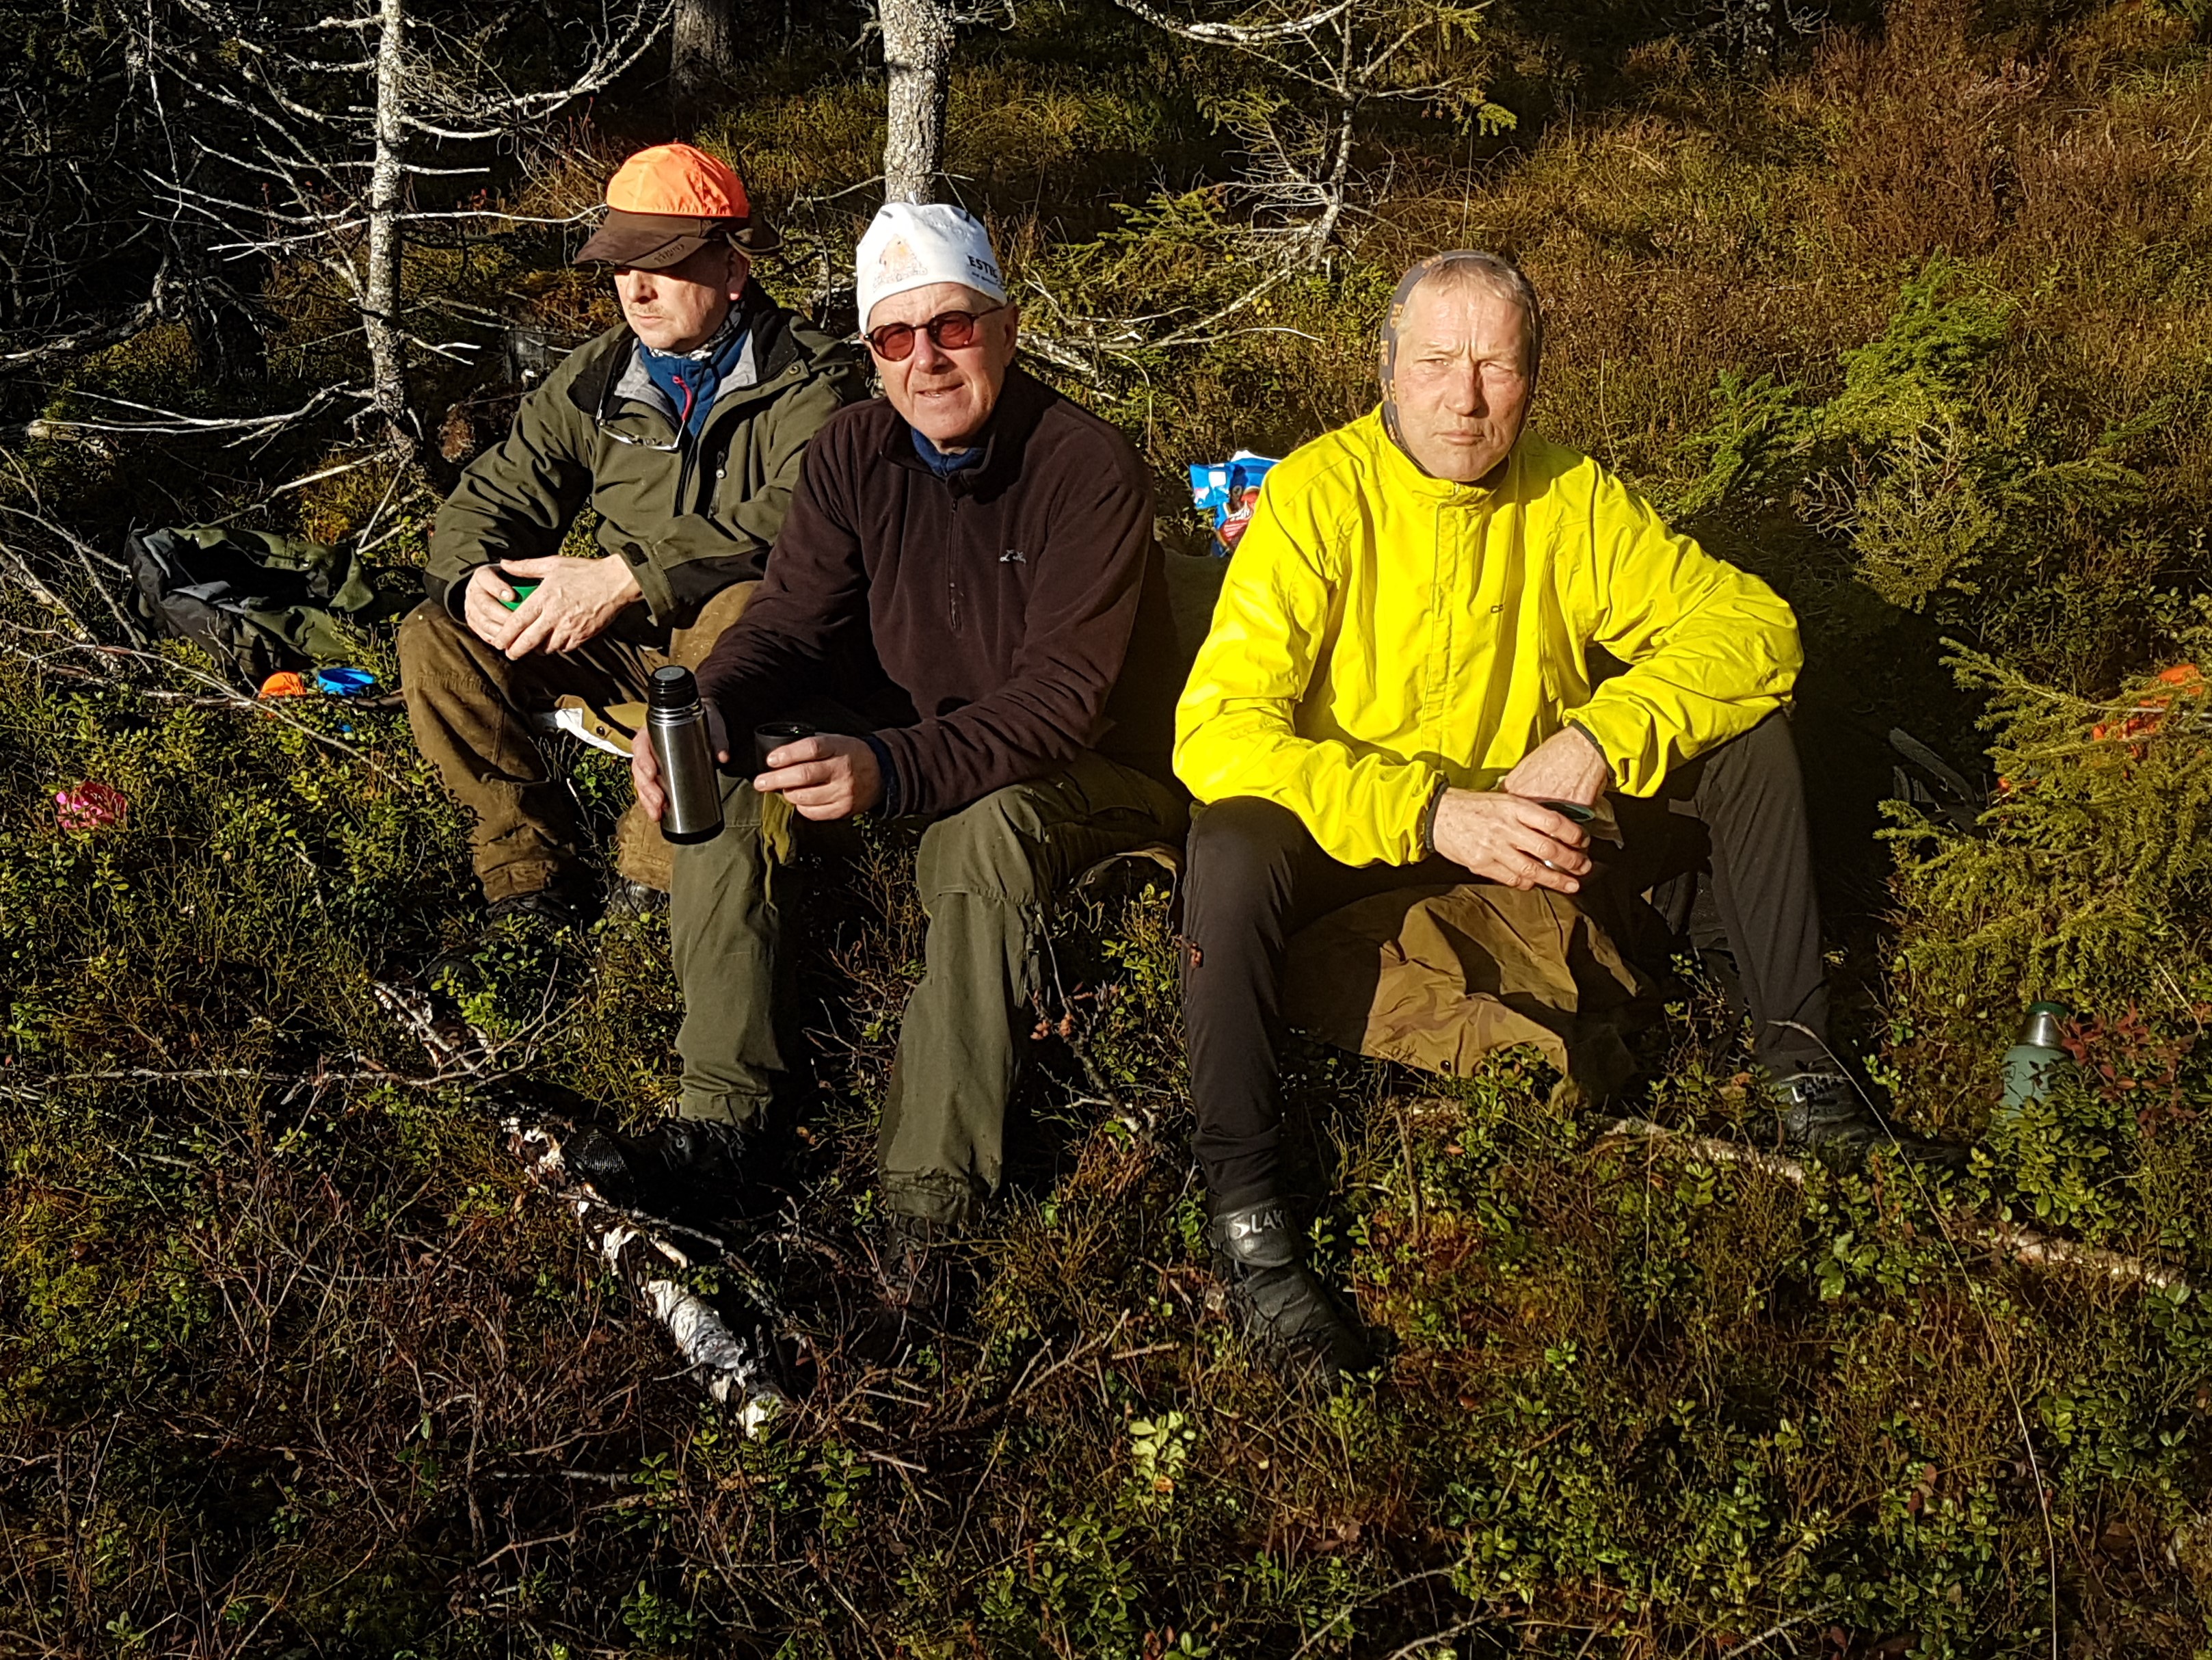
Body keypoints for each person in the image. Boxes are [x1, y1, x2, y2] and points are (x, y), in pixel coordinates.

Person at [1174, 250, 1901, 1374]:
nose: (1464, 397)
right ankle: (1251, 1217)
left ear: (1533, 380)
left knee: (1748, 737)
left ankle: (1805, 1073)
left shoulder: (1572, 493)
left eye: (1495, 367)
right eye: (1436, 362)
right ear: (1387, 369)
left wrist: (1605, 735)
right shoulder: (1318, 495)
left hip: (1528, 824)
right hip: (1364, 835)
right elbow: (1216, 732)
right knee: (1228, 839)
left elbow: (1753, 629)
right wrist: (1425, 811)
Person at [583, 203, 1186, 1295]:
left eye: (951, 326)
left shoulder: (1085, 465)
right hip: (915, 745)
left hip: (1094, 773)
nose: (927, 360)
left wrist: (892, 768)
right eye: (894, 338)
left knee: (983, 831)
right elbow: (791, 620)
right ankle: (725, 1124)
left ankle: (929, 1206)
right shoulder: (854, 448)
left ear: (1004, 325)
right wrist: (713, 708)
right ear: (869, 354)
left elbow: (1060, 701)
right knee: (731, 769)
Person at [399, 144, 863, 928]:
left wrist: (623, 577)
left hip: (748, 654)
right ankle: (528, 881)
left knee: (738, 608)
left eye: (662, 264)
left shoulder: (811, 381)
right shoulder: (598, 375)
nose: (636, 290)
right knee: (435, 634)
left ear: (732, 269)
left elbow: (803, 516)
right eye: (619, 266)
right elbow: (497, 490)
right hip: (621, 642)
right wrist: (469, 576)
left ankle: (651, 895)